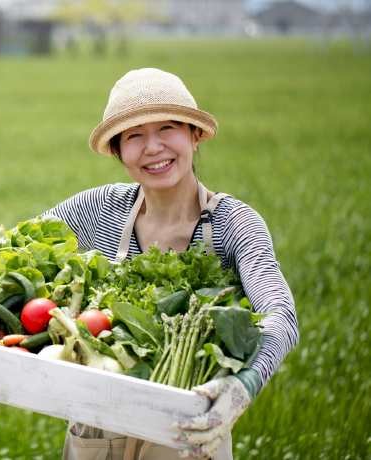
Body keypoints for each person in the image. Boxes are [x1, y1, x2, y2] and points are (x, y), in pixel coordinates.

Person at [42, 68, 299, 460]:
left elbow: (280, 314)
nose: (153, 147)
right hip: (98, 426)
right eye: (134, 135)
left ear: (195, 136)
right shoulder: (100, 208)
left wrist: (244, 384)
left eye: (168, 128)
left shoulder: (235, 223)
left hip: (187, 431)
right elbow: (19, 246)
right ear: (118, 151)